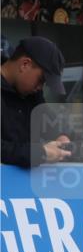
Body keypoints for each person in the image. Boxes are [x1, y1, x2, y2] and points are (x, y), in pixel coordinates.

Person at [1, 36, 72, 167]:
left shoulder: (32, 95)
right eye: (41, 80)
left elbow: (50, 121)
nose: (40, 87)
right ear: (24, 65)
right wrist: (40, 153)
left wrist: (63, 136)